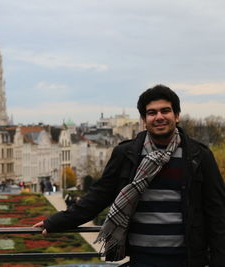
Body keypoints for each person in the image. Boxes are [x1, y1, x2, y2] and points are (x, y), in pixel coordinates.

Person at [33, 85, 225, 267]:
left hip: (187, 260)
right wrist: (56, 222)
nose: (159, 117)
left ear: (177, 116)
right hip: (141, 259)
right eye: (152, 113)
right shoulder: (126, 154)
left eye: (165, 111)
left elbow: (217, 213)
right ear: (144, 119)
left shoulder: (199, 156)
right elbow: (98, 196)